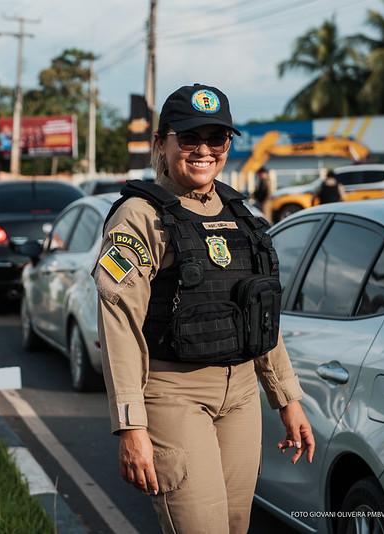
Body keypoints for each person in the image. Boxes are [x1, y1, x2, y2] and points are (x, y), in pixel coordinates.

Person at [93, 84, 314, 534]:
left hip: (242, 395)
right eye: (189, 138)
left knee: (235, 525)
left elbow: (260, 314)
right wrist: (131, 426)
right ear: (162, 143)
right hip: (173, 392)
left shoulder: (240, 212)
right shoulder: (138, 215)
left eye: (216, 139)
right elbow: (119, 324)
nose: (204, 150)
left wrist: (287, 397)